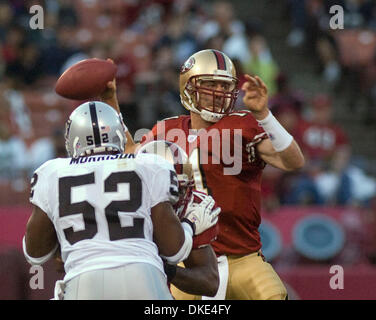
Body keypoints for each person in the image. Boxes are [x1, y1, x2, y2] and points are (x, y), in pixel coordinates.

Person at [103, 49, 304, 300]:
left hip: (243, 257)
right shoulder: (167, 129)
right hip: (192, 263)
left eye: (225, 86)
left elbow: (293, 161)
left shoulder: (242, 123)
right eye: (210, 84)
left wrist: (264, 115)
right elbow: (131, 157)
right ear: (188, 87)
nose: (219, 92)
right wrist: (111, 101)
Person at [23, 101, 219, 300]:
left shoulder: (52, 172)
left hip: (84, 281)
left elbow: (35, 254)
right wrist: (190, 225)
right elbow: (174, 252)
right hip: (145, 278)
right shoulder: (150, 164)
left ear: (72, 140)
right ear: (118, 134)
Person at [137, 140, 220, 297]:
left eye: (178, 190)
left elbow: (210, 282)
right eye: (168, 190)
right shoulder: (119, 208)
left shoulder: (193, 209)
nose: (174, 198)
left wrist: (164, 268)